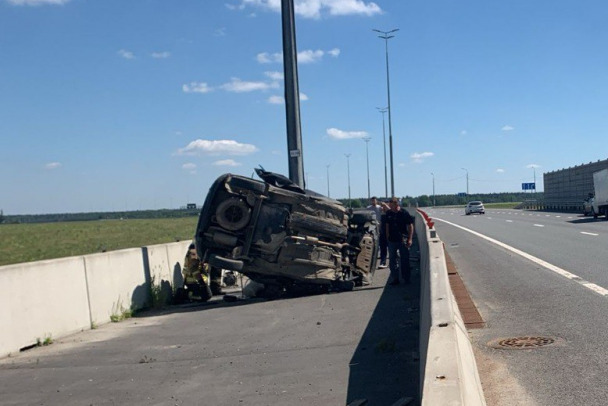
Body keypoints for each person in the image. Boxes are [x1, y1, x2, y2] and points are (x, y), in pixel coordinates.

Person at [385, 197, 414, 285]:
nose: (390, 204)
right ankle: (395, 278)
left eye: (392, 202)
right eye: (390, 202)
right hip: (392, 240)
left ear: (397, 203)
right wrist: (387, 238)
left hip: (402, 239)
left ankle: (406, 278)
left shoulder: (404, 213)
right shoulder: (388, 213)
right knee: (392, 260)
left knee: (404, 259)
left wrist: (410, 238)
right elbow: (387, 226)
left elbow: (410, 226)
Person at [367, 197, 389, 268]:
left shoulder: (379, 207)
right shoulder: (369, 208)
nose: (373, 202)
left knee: (382, 244)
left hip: (380, 227)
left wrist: (384, 205)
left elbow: (387, 211)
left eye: (374, 200)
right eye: (372, 201)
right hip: (372, 227)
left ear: (376, 201)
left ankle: (383, 261)